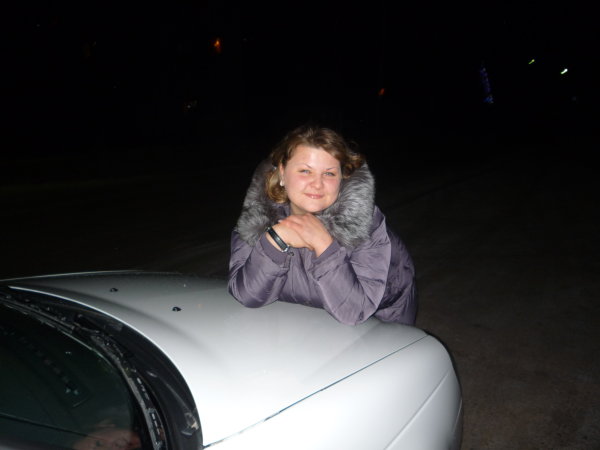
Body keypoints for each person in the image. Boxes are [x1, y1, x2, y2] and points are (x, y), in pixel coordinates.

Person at [228, 124, 417, 325]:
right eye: (305, 171)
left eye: (329, 173)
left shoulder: (365, 227)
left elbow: (355, 311)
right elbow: (247, 296)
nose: (317, 184)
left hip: (381, 326)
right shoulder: (257, 220)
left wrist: (324, 246)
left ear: (342, 178)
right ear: (282, 173)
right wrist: (275, 240)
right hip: (306, 325)